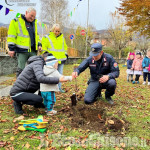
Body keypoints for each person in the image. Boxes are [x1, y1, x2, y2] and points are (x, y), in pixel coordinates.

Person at [7, 7, 42, 77]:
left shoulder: (34, 23)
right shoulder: (16, 21)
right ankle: (20, 87)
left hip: (33, 51)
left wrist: (39, 44)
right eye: (31, 15)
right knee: (21, 70)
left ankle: (31, 86)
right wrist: (11, 48)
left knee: (34, 69)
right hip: (21, 51)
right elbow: (11, 36)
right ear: (26, 12)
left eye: (34, 16)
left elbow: (36, 36)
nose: (32, 18)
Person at [41, 24, 68, 93]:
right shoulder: (47, 37)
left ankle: (59, 88)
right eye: (56, 31)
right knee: (51, 74)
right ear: (52, 30)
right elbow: (44, 48)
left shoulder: (62, 38)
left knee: (60, 74)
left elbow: (65, 47)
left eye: (58, 31)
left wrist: (66, 54)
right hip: (51, 61)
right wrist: (46, 56)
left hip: (61, 59)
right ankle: (51, 89)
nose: (57, 32)